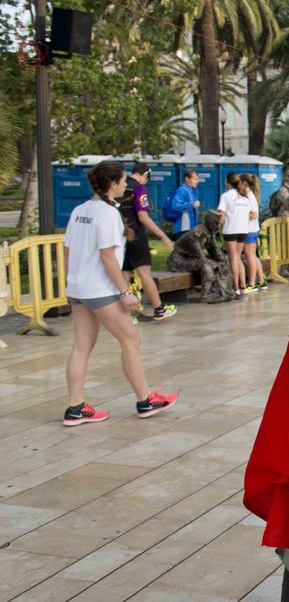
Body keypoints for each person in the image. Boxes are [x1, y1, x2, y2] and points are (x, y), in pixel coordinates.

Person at [62, 159, 178, 426]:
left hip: (79, 288)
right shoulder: (107, 214)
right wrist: (125, 292)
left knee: (81, 346)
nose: (127, 184)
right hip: (99, 290)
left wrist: (71, 284)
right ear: (112, 184)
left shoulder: (80, 210)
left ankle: (75, 408)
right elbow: (107, 257)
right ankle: (146, 399)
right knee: (131, 340)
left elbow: (68, 250)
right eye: (123, 180)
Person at [119, 163, 177, 322]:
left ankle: (126, 314)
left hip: (120, 236)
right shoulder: (139, 189)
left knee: (124, 272)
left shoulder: (120, 187)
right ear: (144, 174)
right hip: (136, 234)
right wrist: (163, 236)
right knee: (144, 273)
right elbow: (143, 217)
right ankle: (159, 309)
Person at [217, 173, 255, 296]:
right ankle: (243, 284)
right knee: (237, 257)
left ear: (227, 182)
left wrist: (221, 223)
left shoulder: (226, 196)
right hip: (243, 230)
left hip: (230, 230)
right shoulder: (244, 197)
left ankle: (235, 286)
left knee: (233, 257)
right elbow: (252, 214)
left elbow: (220, 214)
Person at [240, 173, 267, 292]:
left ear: (244, 183)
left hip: (249, 230)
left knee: (249, 256)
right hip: (253, 229)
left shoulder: (248, 196)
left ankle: (251, 283)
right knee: (254, 256)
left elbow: (253, 215)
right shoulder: (250, 195)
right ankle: (261, 281)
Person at [165, 169, 202, 240]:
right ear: (187, 179)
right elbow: (174, 206)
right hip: (183, 229)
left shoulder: (189, 190)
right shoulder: (182, 190)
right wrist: (192, 205)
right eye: (195, 179)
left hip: (188, 229)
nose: (197, 182)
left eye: (198, 179)